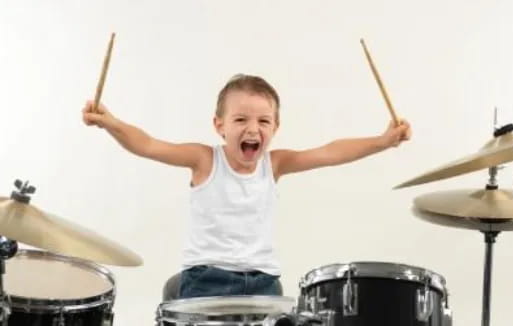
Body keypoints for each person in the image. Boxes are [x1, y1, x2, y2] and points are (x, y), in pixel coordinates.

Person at [82, 74, 411, 299]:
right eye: (241, 120)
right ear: (219, 126)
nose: (252, 129)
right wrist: (111, 123)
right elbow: (149, 144)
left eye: (263, 121)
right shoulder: (204, 160)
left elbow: (329, 152)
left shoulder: (274, 164)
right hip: (206, 281)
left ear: (275, 127)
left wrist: (382, 142)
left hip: (264, 284)